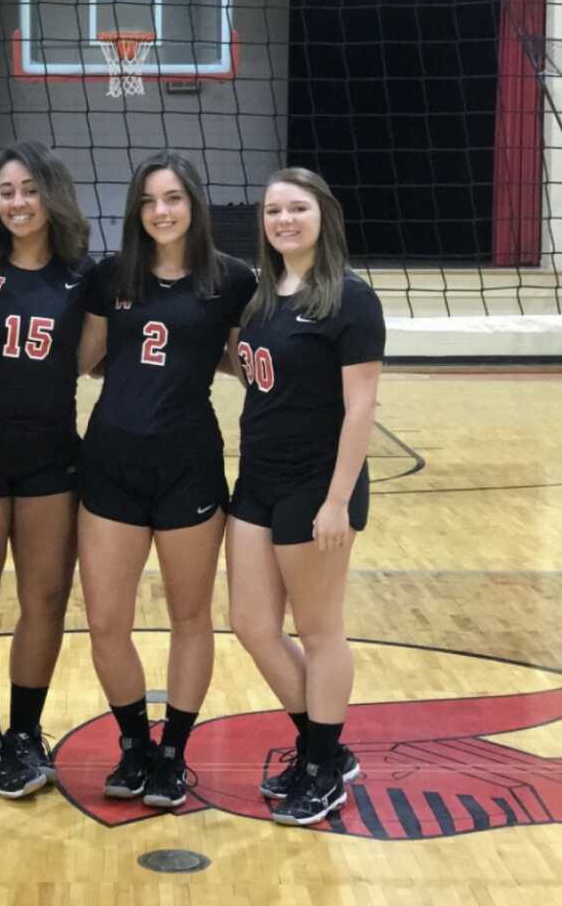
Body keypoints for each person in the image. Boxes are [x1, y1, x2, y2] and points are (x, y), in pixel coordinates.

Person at [77, 150, 256, 809]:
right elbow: (85, 359)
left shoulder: (231, 280)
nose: (161, 211)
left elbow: (253, 361)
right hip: (111, 463)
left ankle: (174, 752)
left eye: (173, 199)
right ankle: (134, 745)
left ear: (194, 205)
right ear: (136, 212)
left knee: (189, 616)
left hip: (190, 465)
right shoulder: (109, 277)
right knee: (105, 622)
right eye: (149, 201)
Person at [226, 167, 385, 827]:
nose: (284, 221)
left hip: (318, 486)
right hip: (257, 479)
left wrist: (337, 502)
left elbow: (361, 408)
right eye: (273, 211)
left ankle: (321, 766)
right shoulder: (262, 296)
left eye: (297, 208)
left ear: (323, 215)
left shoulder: (350, 299)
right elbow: (250, 368)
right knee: (253, 627)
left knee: (318, 631)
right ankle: (324, 746)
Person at [0, 141, 92, 798]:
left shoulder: (85, 275)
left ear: (51, 194)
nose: (17, 202)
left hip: (51, 461)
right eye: (5, 191)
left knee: (45, 601)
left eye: (29, 188)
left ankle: (26, 733)